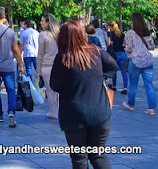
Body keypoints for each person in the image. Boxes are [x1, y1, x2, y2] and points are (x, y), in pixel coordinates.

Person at [50, 21, 118, 169]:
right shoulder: (96, 52)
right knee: (98, 154)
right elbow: (113, 65)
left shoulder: (63, 58)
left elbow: (54, 85)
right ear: (82, 35)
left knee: (79, 158)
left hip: (74, 116)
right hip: (100, 113)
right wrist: (100, 76)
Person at [123, 13, 156, 116]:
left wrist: (130, 53)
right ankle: (151, 108)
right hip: (148, 61)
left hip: (136, 61)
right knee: (149, 85)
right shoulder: (147, 32)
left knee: (133, 85)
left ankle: (131, 104)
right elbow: (152, 47)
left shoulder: (130, 33)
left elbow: (128, 48)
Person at [37, 13, 60, 119]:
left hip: (47, 65)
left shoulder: (42, 35)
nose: (41, 23)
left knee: (51, 90)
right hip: (59, 64)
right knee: (60, 90)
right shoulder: (59, 34)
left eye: (43, 21)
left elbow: (40, 54)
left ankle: (53, 111)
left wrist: (38, 69)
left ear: (48, 22)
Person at [107, 21, 127, 94]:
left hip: (114, 54)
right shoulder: (122, 34)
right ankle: (125, 87)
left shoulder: (110, 34)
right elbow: (125, 43)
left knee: (114, 71)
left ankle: (114, 85)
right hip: (122, 53)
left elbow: (108, 44)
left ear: (110, 27)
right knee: (123, 71)